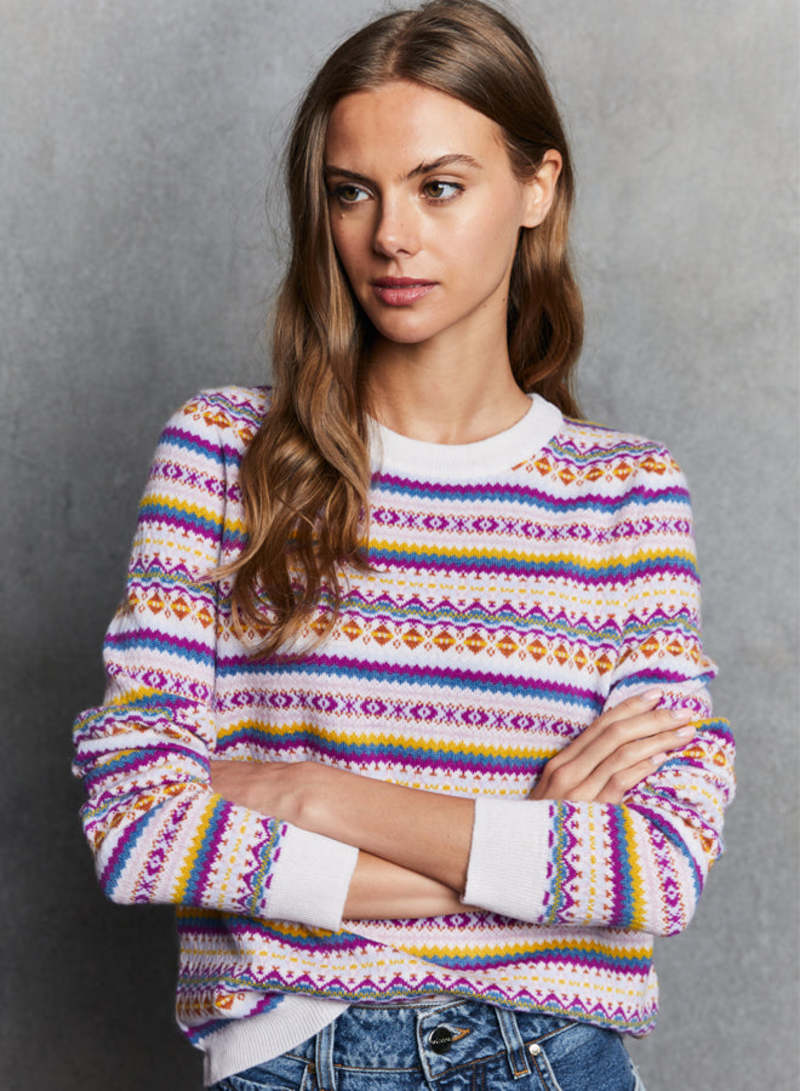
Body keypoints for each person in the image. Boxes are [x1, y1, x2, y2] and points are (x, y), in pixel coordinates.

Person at [71, 1, 736, 1088]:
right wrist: (525, 840)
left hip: (548, 1054)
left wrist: (310, 794)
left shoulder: (624, 492)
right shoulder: (223, 454)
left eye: (439, 186)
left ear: (536, 188)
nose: (390, 235)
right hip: (293, 1054)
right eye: (353, 191)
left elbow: (657, 866)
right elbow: (137, 822)